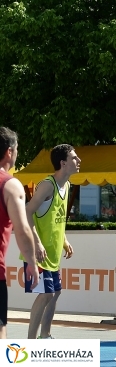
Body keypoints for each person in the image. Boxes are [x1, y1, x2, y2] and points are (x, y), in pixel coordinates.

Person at [25, 144, 79, 340]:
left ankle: (45, 336)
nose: (78, 161)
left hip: (52, 252)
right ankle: (30, 342)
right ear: (63, 163)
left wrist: (64, 240)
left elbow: (58, 217)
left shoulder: (67, 186)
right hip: (38, 252)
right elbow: (27, 212)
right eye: (74, 158)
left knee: (55, 292)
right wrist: (37, 244)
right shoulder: (47, 185)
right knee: (47, 294)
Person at [0, 128, 39, 339]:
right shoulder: (10, 184)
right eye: (17, 149)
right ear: (9, 152)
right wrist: (32, 263)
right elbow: (22, 229)